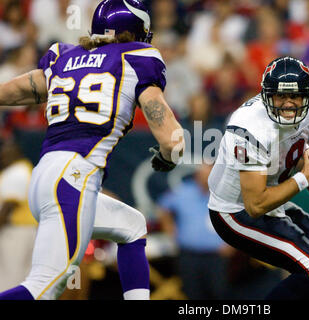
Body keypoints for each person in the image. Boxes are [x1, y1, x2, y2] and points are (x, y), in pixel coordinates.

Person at [0, 0, 184, 300]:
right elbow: (173, 140)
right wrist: (167, 157)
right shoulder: (137, 57)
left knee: (131, 226)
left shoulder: (64, 56)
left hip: (46, 176)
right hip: (74, 177)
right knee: (45, 287)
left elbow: (22, 88)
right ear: (136, 32)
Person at [208, 56, 309, 300]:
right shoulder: (248, 130)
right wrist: (306, 177)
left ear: (307, 96)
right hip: (235, 211)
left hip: (273, 197)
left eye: (295, 96)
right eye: (280, 96)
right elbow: (255, 205)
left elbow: (288, 150)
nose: (288, 104)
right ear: (267, 96)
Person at [156, 163, 230, 299]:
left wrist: (231, 244)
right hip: (188, 254)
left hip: (216, 256)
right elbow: (163, 208)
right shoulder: (183, 191)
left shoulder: (225, 196)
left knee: (218, 292)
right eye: (205, 176)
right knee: (191, 293)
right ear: (197, 176)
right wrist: (171, 232)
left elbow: (239, 217)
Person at [0, 139, 37, 291]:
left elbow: (9, 206)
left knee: (10, 278)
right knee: (23, 278)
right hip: (27, 231)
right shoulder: (23, 168)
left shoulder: (17, 171)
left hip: (16, 232)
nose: (3, 154)